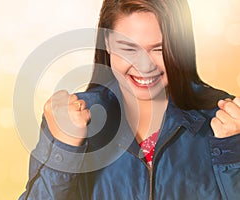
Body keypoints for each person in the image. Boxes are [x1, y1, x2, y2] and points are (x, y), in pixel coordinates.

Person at [19, 0, 240, 199]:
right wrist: (65, 149)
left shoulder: (227, 122)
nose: (144, 66)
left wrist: (233, 155)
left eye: (159, 49)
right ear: (107, 42)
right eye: (128, 49)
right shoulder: (69, 119)